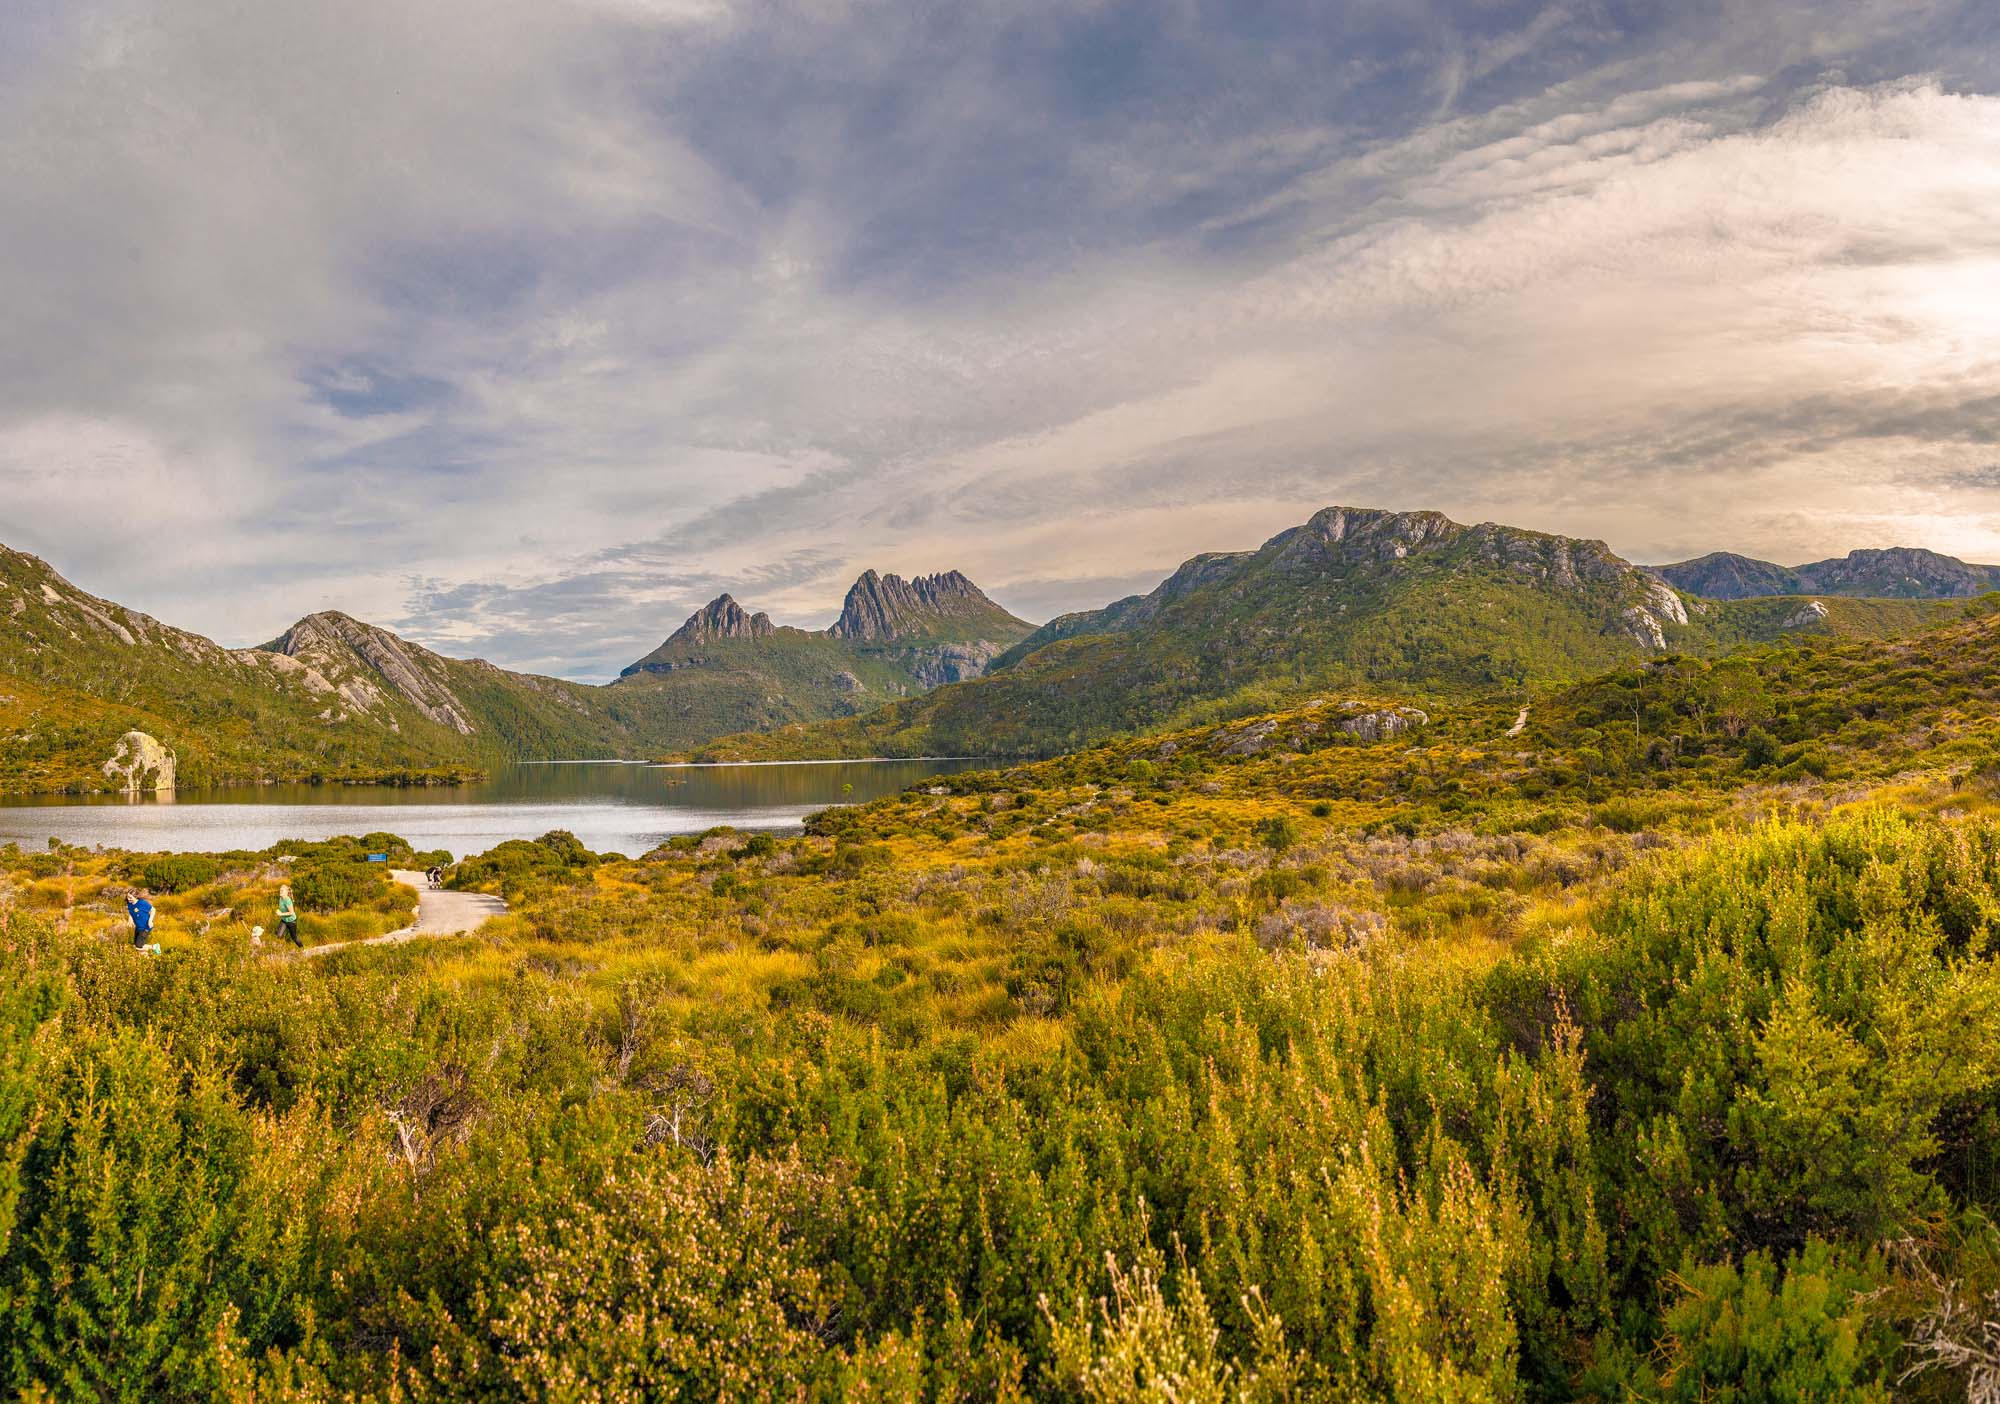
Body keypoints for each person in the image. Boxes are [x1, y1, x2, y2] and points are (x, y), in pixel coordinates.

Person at [126, 889, 158, 953]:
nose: (128, 899)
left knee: (138, 946)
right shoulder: (130, 904)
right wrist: (130, 920)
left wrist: (150, 921)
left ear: (136, 897)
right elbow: (131, 912)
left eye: (130, 897)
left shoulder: (142, 903)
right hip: (138, 927)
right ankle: (146, 956)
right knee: (136, 946)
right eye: (127, 897)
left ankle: (154, 947)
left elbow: (153, 910)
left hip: (146, 927)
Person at [276, 884, 301, 948]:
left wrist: (281, 914)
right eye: (280, 890)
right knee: (279, 935)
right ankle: (280, 948)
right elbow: (283, 909)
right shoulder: (280, 898)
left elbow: (291, 912)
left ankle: (302, 949)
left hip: (291, 921)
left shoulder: (287, 900)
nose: (280, 891)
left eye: (282, 890)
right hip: (284, 920)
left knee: (294, 937)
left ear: (286, 892)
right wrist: (279, 911)